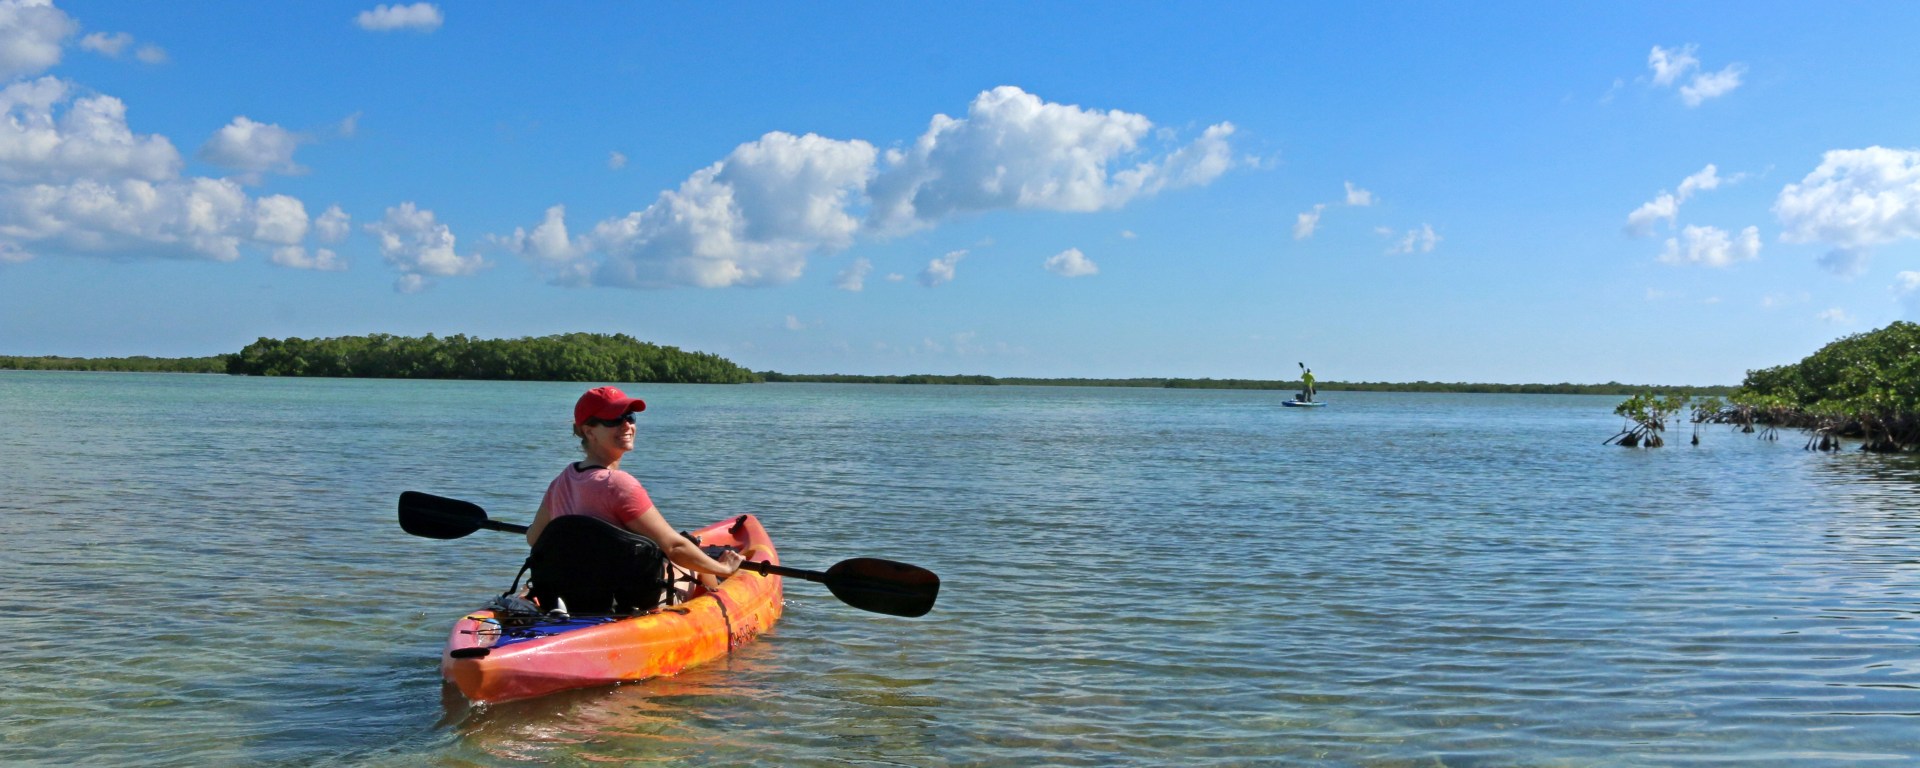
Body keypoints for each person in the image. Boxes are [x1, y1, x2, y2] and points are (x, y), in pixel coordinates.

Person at [525, 386, 744, 601]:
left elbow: (534, 538)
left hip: (573, 597)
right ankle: (716, 611)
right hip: (621, 602)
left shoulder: (562, 480)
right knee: (694, 560)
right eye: (614, 420)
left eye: (630, 417)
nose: (627, 425)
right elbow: (675, 547)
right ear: (588, 431)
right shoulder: (619, 484)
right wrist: (723, 568)